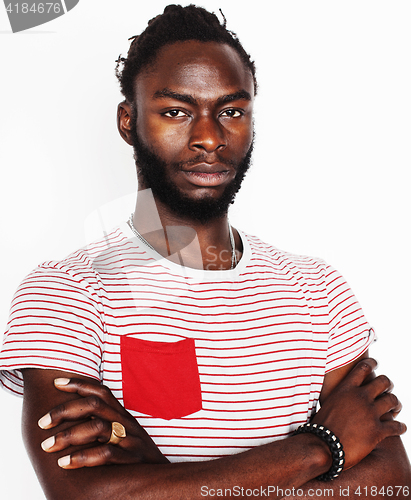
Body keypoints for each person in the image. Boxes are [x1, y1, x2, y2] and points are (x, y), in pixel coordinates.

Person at [0, 4, 410, 499]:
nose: (209, 138)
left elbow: (390, 482)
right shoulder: (65, 293)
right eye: (176, 111)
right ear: (128, 122)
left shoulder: (318, 290)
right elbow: (84, 495)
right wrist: (318, 449)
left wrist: (165, 483)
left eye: (231, 111)